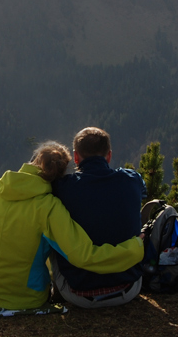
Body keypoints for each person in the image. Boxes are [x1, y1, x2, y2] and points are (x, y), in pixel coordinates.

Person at [0, 141, 143, 315]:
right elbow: (83, 256)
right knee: (58, 244)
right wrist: (134, 248)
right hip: (27, 298)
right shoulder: (48, 207)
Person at [51, 127, 146, 308]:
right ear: (109, 156)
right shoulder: (131, 180)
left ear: (76, 157)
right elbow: (142, 192)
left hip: (77, 294)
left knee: (52, 228)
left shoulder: (63, 188)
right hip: (129, 287)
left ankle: (52, 293)